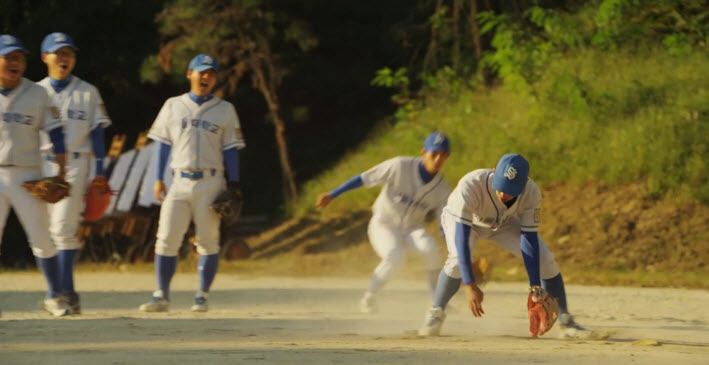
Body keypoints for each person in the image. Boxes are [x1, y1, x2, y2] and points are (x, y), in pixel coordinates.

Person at [418, 153, 592, 339]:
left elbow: (529, 237)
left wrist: (535, 287)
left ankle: (566, 322)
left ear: (525, 182)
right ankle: (435, 314)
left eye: (511, 188)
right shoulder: (471, 185)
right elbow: (461, 238)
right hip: (462, 222)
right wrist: (469, 285)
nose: (503, 193)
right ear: (494, 171)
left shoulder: (531, 193)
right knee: (457, 261)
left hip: (502, 223)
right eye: (501, 185)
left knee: (545, 259)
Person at [139, 54, 245, 312]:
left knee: (208, 241)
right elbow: (162, 144)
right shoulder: (173, 105)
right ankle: (161, 295)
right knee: (165, 238)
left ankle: (202, 295)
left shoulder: (225, 109)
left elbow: (231, 149)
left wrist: (234, 184)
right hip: (178, 181)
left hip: (211, 182)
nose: (205, 77)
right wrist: (157, 179)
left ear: (215, 78)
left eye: (210, 73)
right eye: (201, 72)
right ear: (189, 74)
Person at [316, 132, 452, 313]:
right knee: (395, 255)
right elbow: (364, 178)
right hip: (384, 224)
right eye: (434, 154)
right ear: (423, 152)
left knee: (431, 249)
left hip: (413, 228)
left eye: (443, 155)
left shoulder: (443, 188)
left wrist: (456, 252)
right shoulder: (399, 166)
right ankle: (369, 298)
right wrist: (332, 194)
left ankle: (438, 303)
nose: (437, 159)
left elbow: (444, 225)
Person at [37, 32, 111, 315]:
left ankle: (62, 292)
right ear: (46, 57)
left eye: (69, 53)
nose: (64, 57)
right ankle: (64, 291)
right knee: (45, 233)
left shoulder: (87, 91)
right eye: (58, 52)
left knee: (63, 229)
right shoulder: (34, 92)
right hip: (41, 164)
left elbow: (98, 133)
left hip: (77, 163)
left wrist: (100, 172)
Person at [0, 34, 71, 316]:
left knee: (41, 237)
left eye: (19, 57)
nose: (15, 62)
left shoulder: (38, 94)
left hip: (27, 175)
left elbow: (57, 133)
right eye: (9, 57)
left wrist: (62, 171)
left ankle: (55, 296)